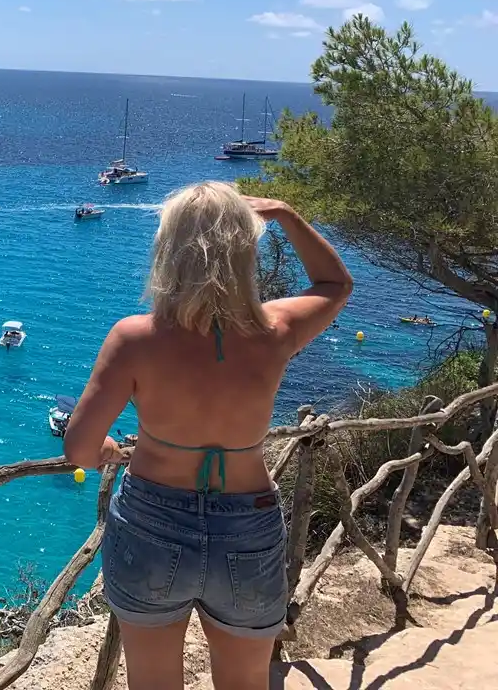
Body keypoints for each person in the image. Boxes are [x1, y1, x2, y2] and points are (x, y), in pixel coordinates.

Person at [61, 185, 351, 690]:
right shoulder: (275, 329)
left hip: (151, 517)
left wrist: (108, 452)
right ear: (244, 251)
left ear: (167, 250)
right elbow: (334, 283)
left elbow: (81, 448)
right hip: (248, 522)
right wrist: (287, 215)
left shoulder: (135, 338)